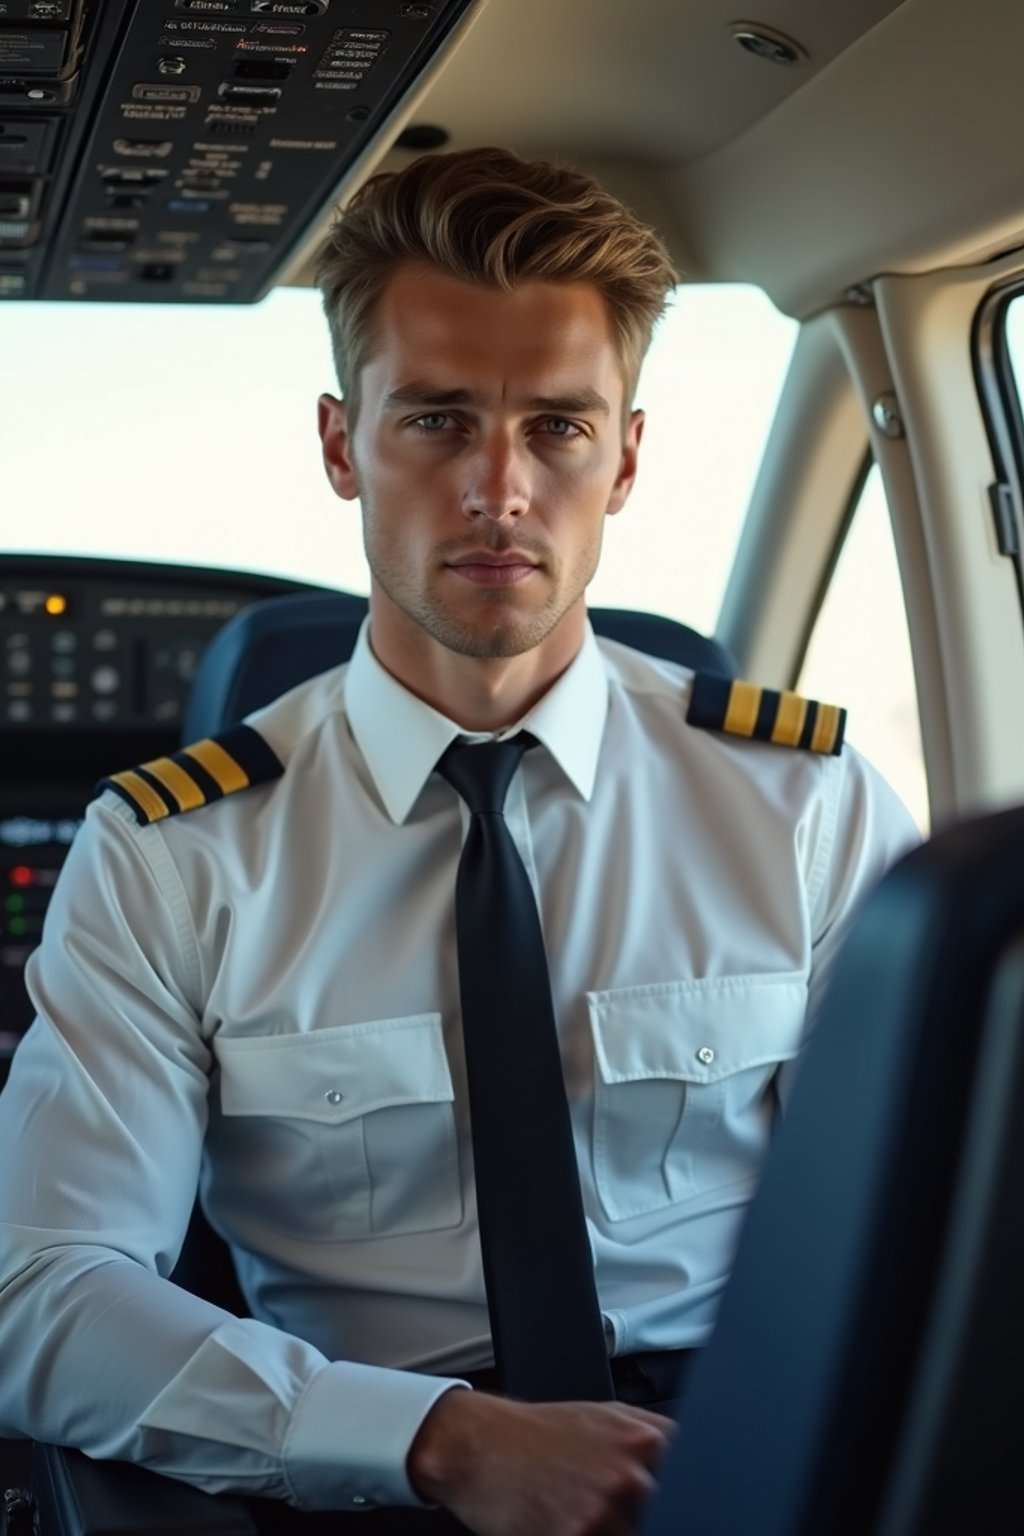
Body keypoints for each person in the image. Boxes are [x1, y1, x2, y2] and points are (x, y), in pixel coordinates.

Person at [0, 147, 917, 1535]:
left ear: (625, 458)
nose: (499, 489)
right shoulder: (174, 854)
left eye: (557, 427)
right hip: (367, 1473)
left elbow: (929, 1204)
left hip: (750, 1455)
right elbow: (41, 1289)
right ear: (338, 444)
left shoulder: (808, 801)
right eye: (436, 421)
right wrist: (443, 1442)